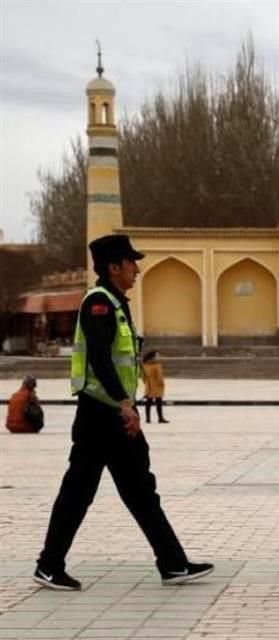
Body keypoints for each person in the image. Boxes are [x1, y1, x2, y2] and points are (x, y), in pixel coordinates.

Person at [34, 234, 213, 591]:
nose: (137, 269)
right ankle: (50, 565)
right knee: (85, 490)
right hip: (100, 414)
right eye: (131, 262)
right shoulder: (99, 303)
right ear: (114, 267)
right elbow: (100, 360)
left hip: (109, 414)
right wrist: (125, 404)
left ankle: (172, 563)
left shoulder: (115, 303)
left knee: (135, 489)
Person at [141, 351, 169, 424]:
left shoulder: (145, 365)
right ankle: (160, 418)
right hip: (157, 386)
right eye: (157, 356)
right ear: (153, 357)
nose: (158, 357)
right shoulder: (157, 365)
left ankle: (148, 418)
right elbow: (159, 376)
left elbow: (143, 376)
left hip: (149, 385)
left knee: (148, 402)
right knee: (158, 402)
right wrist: (162, 384)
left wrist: (146, 383)